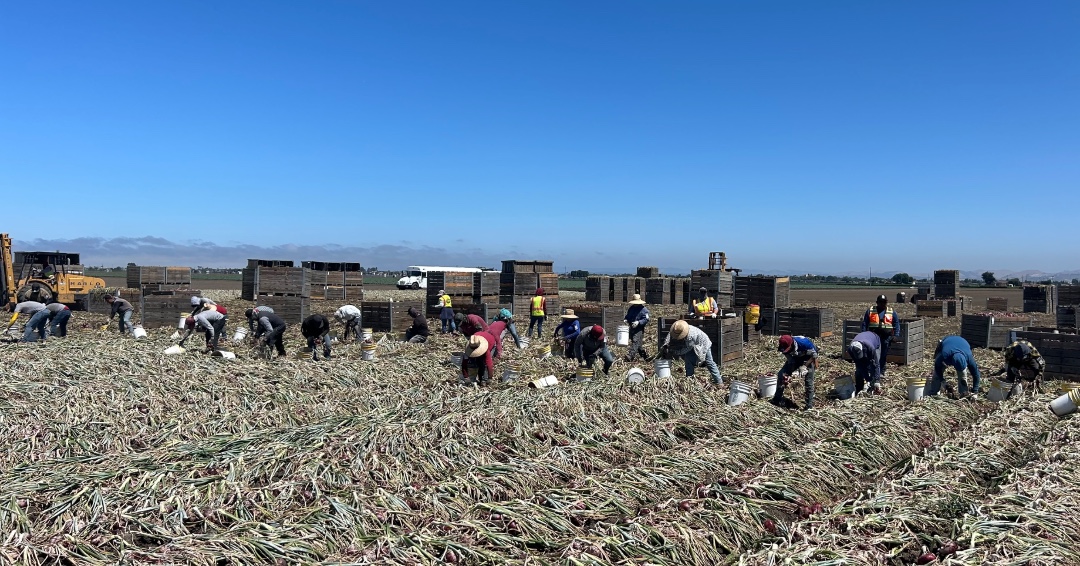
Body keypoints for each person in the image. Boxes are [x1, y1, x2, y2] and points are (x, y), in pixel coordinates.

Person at [660, 319, 724, 386]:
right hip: (693, 345)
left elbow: (686, 349)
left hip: (703, 344)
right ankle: (689, 380)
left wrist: (675, 352)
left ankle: (719, 382)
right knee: (688, 361)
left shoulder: (691, 336)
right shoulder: (678, 328)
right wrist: (666, 344)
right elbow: (670, 333)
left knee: (709, 362)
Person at [773, 334, 818, 410]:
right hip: (795, 358)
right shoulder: (783, 345)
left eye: (788, 348)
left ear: (792, 344)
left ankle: (809, 406)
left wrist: (804, 366)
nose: (786, 350)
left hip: (808, 358)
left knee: (809, 382)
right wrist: (790, 373)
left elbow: (814, 356)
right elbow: (788, 356)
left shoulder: (804, 344)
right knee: (781, 375)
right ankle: (776, 400)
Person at [862, 294, 899, 378]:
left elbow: (896, 324)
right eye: (880, 302)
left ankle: (881, 371)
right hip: (873, 337)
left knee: (883, 355)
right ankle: (871, 370)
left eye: (884, 302)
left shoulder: (891, 312)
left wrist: (896, 335)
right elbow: (864, 324)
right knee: (871, 354)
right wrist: (864, 335)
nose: (882, 304)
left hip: (886, 337)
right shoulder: (870, 311)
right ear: (877, 302)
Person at [847, 331, 882, 395]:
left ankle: (874, 385)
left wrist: (877, 380)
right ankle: (859, 388)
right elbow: (859, 365)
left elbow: (876, 364)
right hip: (865, 342)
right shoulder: (850, 349)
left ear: (862, 349)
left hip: (875, 341)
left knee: (872, 365)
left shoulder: (870, 347)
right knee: (859, 370)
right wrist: (867, 378)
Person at [624, 294, 651, 361]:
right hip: (632, 327)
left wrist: (638, 322)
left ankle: (630, 356)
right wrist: (626, 319)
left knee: (635, 341)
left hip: (639, 329)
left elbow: (646, 319)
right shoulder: (631, 308)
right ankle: (646, 357)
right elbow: (628, 316)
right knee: (638, 345)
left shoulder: (644, 310)